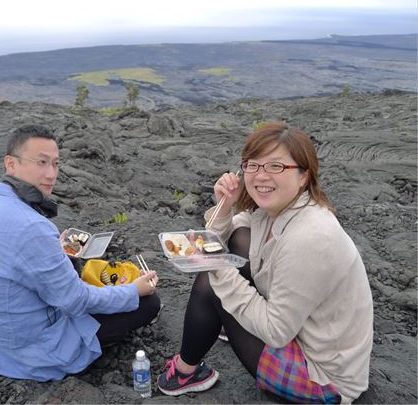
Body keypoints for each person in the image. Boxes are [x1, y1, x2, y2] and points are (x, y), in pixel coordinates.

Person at [157, 122, 373, 403]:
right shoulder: (274, 211)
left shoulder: (311, 237)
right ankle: (225, 321)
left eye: (276, 167)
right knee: (240, 240)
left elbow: (276, 331)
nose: (261, 176)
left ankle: (184, 372)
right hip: (308, 333)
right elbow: (222, 237)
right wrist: (224, 205)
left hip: (323, 379)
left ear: (304, 176)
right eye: (253, 165)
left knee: (212, 283)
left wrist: (219, 269)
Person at [0, 124, 160, 381]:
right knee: (149, 302)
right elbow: (75, 302)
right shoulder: (33, 227)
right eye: (41, 162)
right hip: (28, 345)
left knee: (76, 267)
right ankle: (85, 352)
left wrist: (55, 251)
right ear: (11, 164)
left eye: (55, 164)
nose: (51, 174)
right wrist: (134, 291)